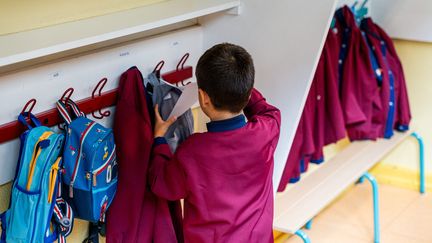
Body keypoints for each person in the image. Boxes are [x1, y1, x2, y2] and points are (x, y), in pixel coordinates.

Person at [149, 43, 281, 243]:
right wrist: (241, 87)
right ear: (247, 93)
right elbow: (269, 111)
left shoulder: (193, 152)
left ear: (203, 97)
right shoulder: (266, 131)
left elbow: (162, 185)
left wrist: (159, 139)